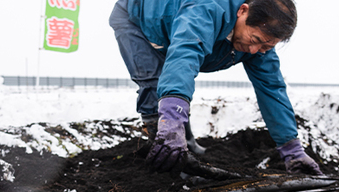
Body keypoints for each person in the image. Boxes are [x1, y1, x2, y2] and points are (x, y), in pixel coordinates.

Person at [109, 0, 323, 175]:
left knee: (173, 85)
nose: (254, 50)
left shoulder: (259, 46)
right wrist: (172, 118)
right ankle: (163, 153)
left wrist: (292, 149)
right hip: (137, 19)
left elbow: (272, 87)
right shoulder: (206, 10)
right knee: (153, 83)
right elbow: (185, 54)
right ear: (243, 11)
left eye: (266, 46)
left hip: (174, 28)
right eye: (255, 39)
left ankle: (186, 142)